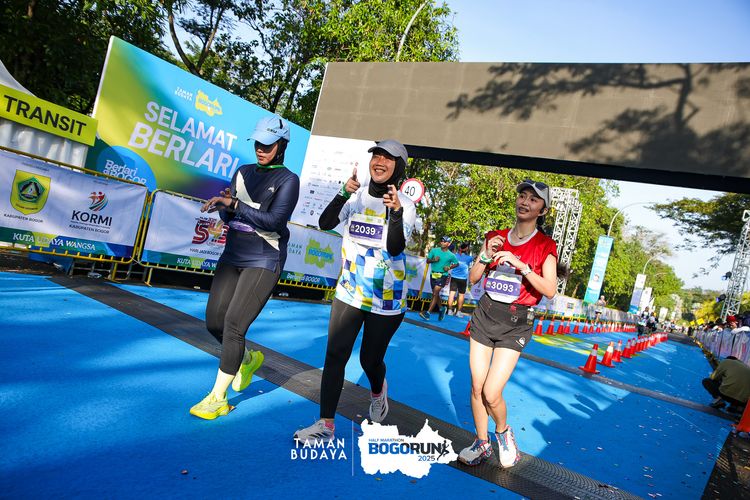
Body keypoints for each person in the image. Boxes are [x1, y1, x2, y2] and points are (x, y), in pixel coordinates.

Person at [293, 139, 416, 442]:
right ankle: (326, 425)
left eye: (388, 158)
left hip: (386, 298)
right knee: (335, 354)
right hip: (349, 290)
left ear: (398, 167)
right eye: (377, 156)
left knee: (369, 361)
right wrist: (342, 193)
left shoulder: (405, 204)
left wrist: (395, 213)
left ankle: (378, 389)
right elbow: (325, 223)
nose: (380, 162)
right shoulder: (356, 196)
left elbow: (395, 247)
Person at [189, 115, 300, 419]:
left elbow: (274, 221)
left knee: (234, 325)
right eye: (258, 143)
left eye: (268, 143)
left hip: (265, 257)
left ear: (282, 145)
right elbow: (230, 217)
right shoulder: (242, 172)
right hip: (233, 254)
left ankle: (218, 398)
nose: (261, 148)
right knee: (214, 323)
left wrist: (236, 205)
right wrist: (224, 206)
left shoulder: (288, 180)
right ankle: (248, 359)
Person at [458, 179, 558, 469]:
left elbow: (550, 290)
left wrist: (521, 265)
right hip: (485, 313)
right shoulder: (496, 236)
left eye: (533, 200)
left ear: (542, 210)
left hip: (516, 322)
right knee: (477, 386)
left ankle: (503, 433)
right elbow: (474, 277)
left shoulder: (545, 246)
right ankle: (481, 442)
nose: (525, 202)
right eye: (522, 196)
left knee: (491, 392)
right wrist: (486, 255)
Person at [419, 236, 458, 321]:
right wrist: (434, 260)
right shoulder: (434, 250)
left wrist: (449, 267)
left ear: (449, 244)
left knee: (435, 293)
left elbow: (456, 263)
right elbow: (428, 261)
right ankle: (442, 308)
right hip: (433, 274)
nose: (442, 243)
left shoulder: (451, 255)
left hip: (443, 276)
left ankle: (428, 313)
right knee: (435, 294)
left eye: (445, 241)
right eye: (442, 241)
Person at [448, 242, 474, 318]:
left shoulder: (454, 256)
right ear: (466, 249)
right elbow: (477, 257)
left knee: (452, 294)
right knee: (461, 295)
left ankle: (449, 310)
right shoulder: (469, 258)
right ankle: (458, 312)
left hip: (454, 278)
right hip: (463, 279)